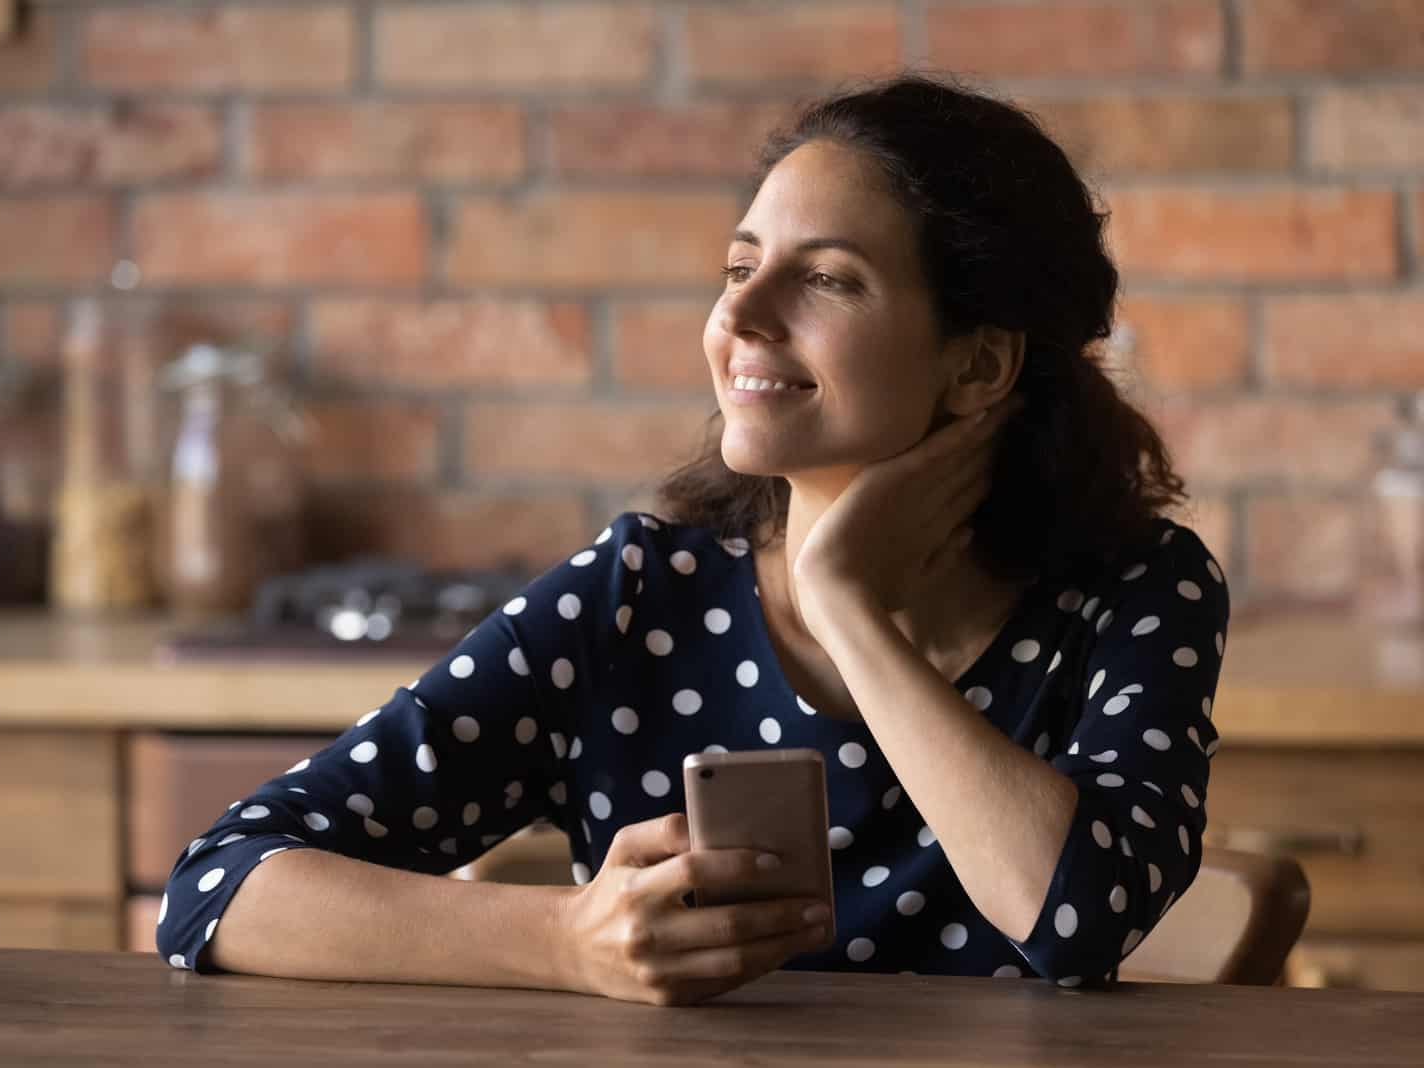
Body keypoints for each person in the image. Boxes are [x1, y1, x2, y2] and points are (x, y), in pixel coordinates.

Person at [154, 73, 1228, 1006]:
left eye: (826, 278)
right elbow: (217, 890)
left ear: (979, 365)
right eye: (737, 267)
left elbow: (1077, 921)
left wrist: (845, 604)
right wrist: (566, 942)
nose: (743, 315)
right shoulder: (635, 599)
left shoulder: (1136, 594)